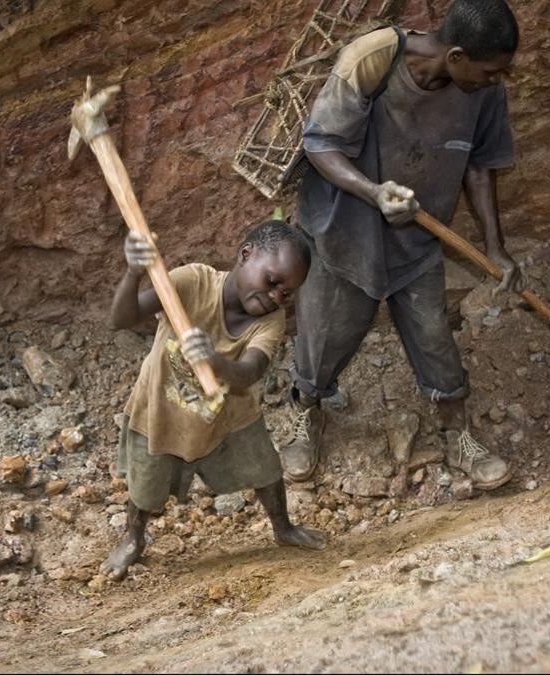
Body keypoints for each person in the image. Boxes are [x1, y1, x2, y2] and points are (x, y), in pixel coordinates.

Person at [281, 0, 523, 491]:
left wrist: (496, 249)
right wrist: (373, 192)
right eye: (490, 70)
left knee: (434, 337)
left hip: (417, 239)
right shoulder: (372, 59)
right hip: (342, 232)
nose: (497, 80)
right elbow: (321, 143)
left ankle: (458, 432)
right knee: (324, 337)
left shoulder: (484, 92)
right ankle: (305, 412)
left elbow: (479, 167)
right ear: (456, 56)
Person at [104, 219, 326, 581]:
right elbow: (121, 318)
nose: (276, 297)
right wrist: (132, 273)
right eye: (273, 282)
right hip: (163, 410)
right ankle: (133, 538)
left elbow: (249, 372)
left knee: (266, 470)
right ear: (245, 255)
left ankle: (283, 527)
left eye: (287, 293)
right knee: (146, 487)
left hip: (229, 416)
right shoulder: (193, 282)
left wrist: (215, 361)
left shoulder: (270, 322)